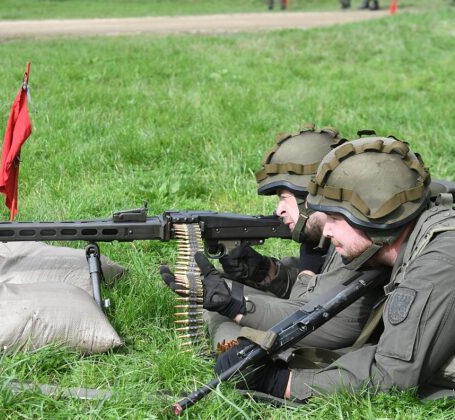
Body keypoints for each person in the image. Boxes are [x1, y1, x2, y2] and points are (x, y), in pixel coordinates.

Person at [216, 135, 455, 400]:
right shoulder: (414, 241)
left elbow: (392, 377)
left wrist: (282, 383)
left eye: (335, 218)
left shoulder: (442, 260)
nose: (325, 228)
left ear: (376, 220)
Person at [161, 125, 385, 352]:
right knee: (210, 287)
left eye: (284, 197)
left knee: (231, 334)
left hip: (327, 344)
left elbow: (314, 317)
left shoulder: (355, 243)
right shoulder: (325, 237)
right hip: (317, 323)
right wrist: (266, 272)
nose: (279, 210)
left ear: (311, 196)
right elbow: (314, 289)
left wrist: (236, 305)